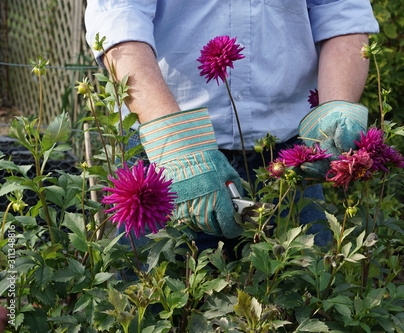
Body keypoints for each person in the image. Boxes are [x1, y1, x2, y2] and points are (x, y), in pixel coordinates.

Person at [85, 1, 379, 250]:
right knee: (151, 305)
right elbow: (120, 18)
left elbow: (340, 9)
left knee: (303, 297)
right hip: (165, 153)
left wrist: (336, 106)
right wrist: (178, 144)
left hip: (292, 153)